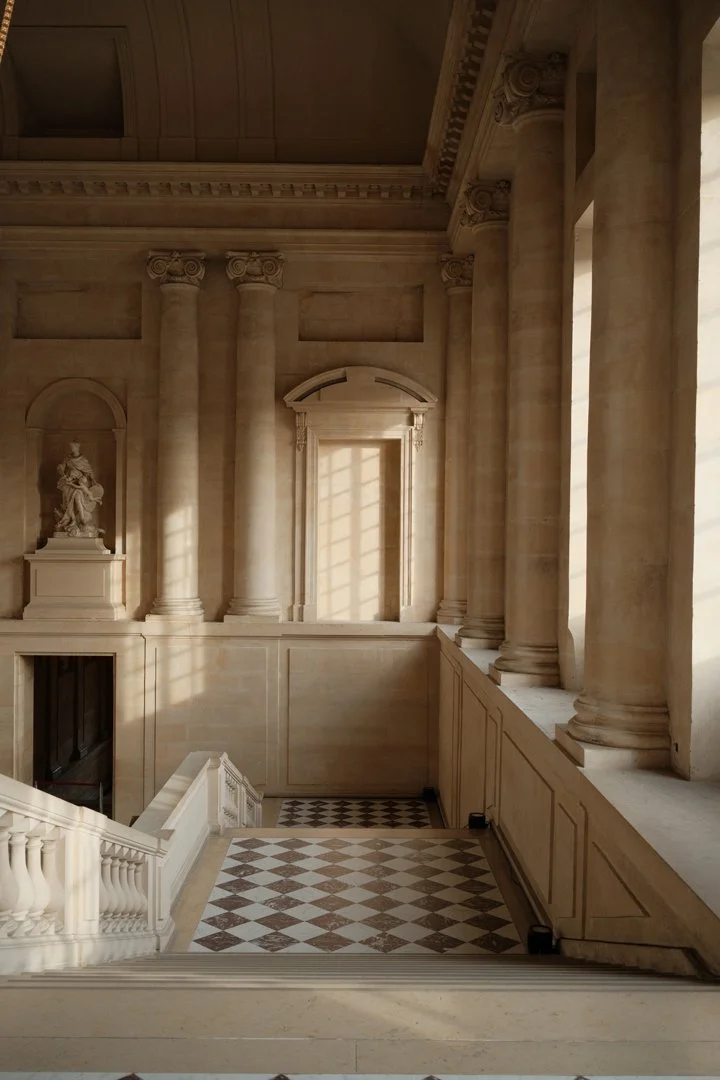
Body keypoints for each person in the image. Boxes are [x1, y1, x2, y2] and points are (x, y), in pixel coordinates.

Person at [54, 442, 104, 538]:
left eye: (73, 447)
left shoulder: (83, 460)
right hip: (68, 483)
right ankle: (71, 520)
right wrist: (62, 472)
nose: (72, 448)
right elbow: (62, 469)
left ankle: (80, 520)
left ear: (77, 447)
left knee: (78, 496)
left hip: (79, 483)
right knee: (68, 498)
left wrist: (93, 481)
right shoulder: (67, 459)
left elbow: (89, 472)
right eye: (71, 447)